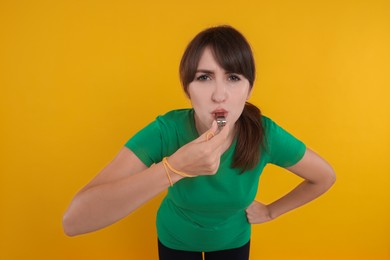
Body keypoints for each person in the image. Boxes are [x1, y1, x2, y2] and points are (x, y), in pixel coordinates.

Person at [62, 25, 336, 260]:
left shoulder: (265, 135)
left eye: (233, 78)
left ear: (249, 89)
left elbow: (324, 177)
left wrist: (271, 211)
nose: (219, 95)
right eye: (204, 78)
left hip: (233, 241)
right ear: (187, 89)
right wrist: (174, 168)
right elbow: (73, 221)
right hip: (174, 238)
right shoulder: (165, 131)